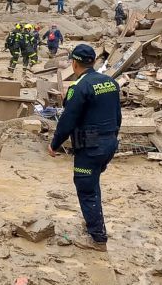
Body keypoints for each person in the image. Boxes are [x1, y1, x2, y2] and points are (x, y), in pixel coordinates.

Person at [48, 44, 122, 252]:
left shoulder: (79, 88)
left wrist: (54, 144)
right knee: (93, 183)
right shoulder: (110, 82)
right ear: (93, 61)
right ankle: (93, 223)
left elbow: (67, 120)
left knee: (86, 189)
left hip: (90, 146)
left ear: (74, 63)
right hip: (108, 143)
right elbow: (118, 115)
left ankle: (97, 238)